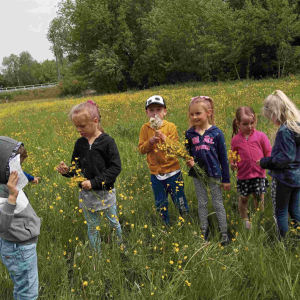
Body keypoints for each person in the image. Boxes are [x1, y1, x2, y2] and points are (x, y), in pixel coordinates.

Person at [56, 100, 123, 252]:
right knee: (92, 227)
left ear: (95, 121)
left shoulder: (107, 142)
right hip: (87, 194)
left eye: (82, 126)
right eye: (76, 126)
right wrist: (67, 171)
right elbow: (76, 170)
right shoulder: (80, 144)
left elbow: (115, 168)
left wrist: (94, 182)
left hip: (106, 192)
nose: (79, 130)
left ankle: (121, 246)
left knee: (113, 222)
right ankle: (96, 255)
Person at [185, 96, 230, 244]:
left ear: (209, 112)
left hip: (214, 174)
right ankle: (204, 230)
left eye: (198, 113)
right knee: (202, 202)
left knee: (218, 203)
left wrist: (226, 179)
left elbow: (224, 158)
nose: (194, 117)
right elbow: (186, 154)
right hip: (198, 174)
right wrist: (189, 162)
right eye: (192, 114)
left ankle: (224, 232)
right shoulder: (189, 134)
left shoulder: (216, 133)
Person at [138, 95, 189, 225]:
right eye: (151, 110)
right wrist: (150, 142)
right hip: (156, 174)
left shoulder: (170, 127)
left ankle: (187, 221)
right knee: (160, 202)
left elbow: (176, 149)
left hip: (173, 172)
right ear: (146, 113)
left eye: (159, 110)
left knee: (179, 199)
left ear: (165, 111)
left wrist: (164, 138)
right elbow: (141, 149)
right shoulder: (145, 128)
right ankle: (164, 225)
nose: (155, 114)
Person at [0, 137, 41, 300]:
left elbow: (20, 173)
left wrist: (31, 178)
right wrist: (11, 197)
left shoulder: (6, 178)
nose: (18, 170)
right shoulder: (3, 192)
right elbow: (2, 225)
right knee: (27, 293)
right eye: (15, 165)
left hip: (20, 244)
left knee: (26, 286)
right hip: (18, 247)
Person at [257, 90, 300, 239]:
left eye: (271, 117)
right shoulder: (297, 126)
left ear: (276, 113)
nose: (271, 120)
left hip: (284, 178)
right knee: (295, 210)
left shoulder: (285, 130)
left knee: (280, 211)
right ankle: (297, 237)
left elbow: (286, 158)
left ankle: (282, 241)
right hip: (298, 178)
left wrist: (264, 162)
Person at [231, 107, 272, 229]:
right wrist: (233, 164)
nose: (249, 126)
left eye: (251, 123)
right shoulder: (235, 140)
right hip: (243, 175)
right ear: (238, 124)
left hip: (259, 173)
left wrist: (266, 161)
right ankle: (245, 220)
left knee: (259, 197)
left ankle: (259, 218)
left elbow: (268, 151)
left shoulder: (261, 136)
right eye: (245, 124)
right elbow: (233, 156)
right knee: (243, 198)